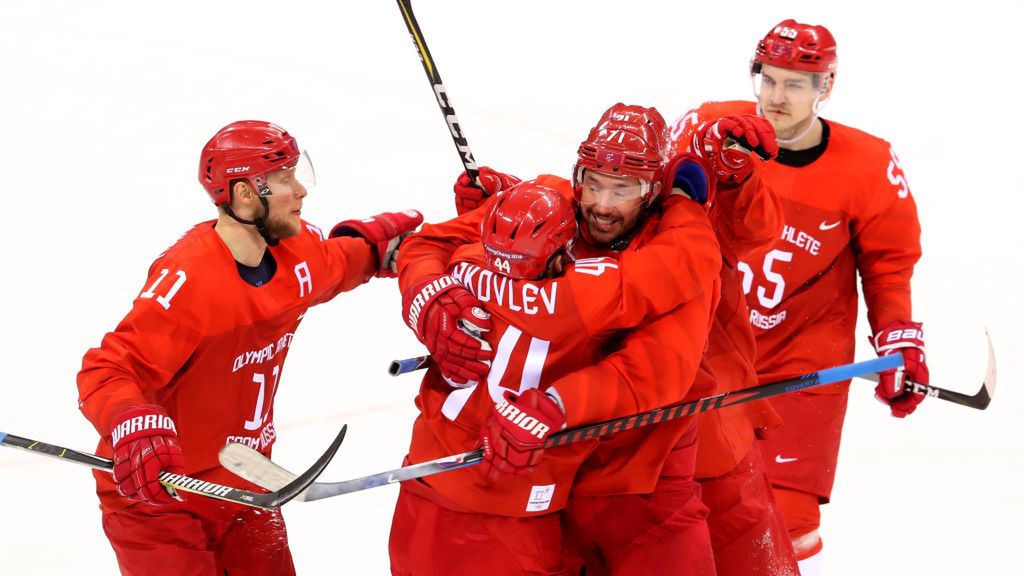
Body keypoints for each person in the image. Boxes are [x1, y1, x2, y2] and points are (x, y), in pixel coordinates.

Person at [404, 103, 779, 574]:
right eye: (594, 182)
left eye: (623, 189)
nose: (601, 205)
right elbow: (428, 244)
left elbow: (657, 371)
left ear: (653, 191)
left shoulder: (680, 246)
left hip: (645, 482)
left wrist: (557, 404)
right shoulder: (551, 205)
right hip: (550, 483)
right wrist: (427, 295)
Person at [76, 120, 423, 575]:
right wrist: (131, 418)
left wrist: (419, 242)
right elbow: (108, 368)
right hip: (159, 494)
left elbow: (348, 260)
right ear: (244, 193)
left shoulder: (297, 257)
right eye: (284, 180)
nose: (301, 191)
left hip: (246, 483)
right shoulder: (190, 282)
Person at [669, 20, 926, 574]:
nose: (776, 96)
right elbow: (644, 212)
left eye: (795, 83)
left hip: (802, 366)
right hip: (707, 354)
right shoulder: (709, 125)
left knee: (780, 524)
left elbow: (889, 264)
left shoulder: (868, 164)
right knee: (680, 515)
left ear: (825, 87)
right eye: (769, 79)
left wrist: (900, 336)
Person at [390, 175, 721, 575]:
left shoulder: (462, 264)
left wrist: (423, 288)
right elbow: (688, 259)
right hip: (512, 506)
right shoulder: (585, 294)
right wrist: (685, 200)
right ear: (564, 251)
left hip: (424, 479)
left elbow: (422, 243)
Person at [670, 112, 799, 576]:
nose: (607, 202)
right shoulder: (581, 220)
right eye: (601, 182)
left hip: (717, 437)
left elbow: (754, 231)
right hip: (624, 462)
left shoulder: (694, 220)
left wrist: (732, 175)